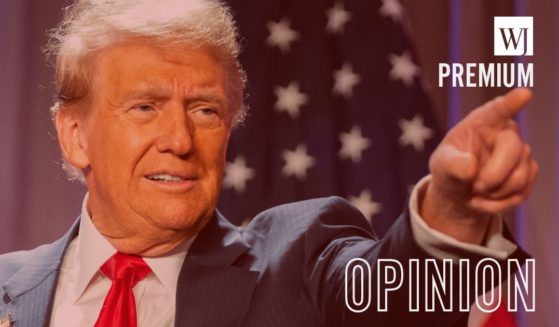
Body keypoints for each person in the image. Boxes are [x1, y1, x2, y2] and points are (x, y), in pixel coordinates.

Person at [0, 0, 536, 326]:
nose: (181, 140)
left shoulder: (298, 262)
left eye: (205, 110)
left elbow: (394, 305)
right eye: (145, 107)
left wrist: (453, 212)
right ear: (74, 137)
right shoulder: (7, 289)